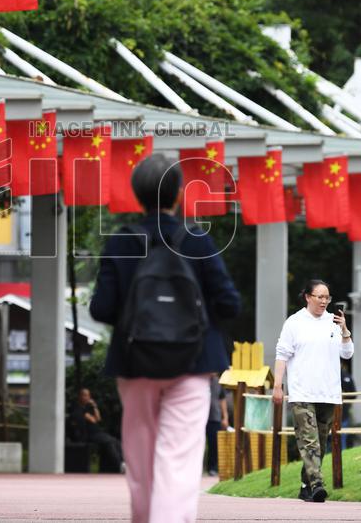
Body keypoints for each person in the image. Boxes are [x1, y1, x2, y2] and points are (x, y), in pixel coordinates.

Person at [90, 154, 241, 523]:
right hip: (193, 364)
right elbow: (229, 303)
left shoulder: (122, 242)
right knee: (178, 460)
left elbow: (101, 308)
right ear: (178, 195)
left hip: (135, 362)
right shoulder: (197, 241)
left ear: (137, 195)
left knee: (140, 462)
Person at [272, 280, 354, 504]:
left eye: (327, 297)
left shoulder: (333, 322)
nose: (324, 301)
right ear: (307, 297)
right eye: (319, 296)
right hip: (302, 393)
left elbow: (347, 354)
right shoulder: (294, 322)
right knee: (310, 442)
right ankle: (317, 483)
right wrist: (278, 385)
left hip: (328, 392)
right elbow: (282, 354)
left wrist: (345, 330)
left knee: (319, 441)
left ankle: (305, 486)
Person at [69, 388, 124, 473]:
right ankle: (119, 465)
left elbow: (98, 418)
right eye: (84, 395)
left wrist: (94, 406)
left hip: (98, 432)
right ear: (79, 396)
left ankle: (123, 462)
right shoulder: (77, 408)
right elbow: (93, 420)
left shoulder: (89, 407)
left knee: (116, 441)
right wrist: (93, 417)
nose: (86, 397)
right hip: (89, 434)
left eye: (87, 395)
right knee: (109, 442)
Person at [205, 374, 229, 477]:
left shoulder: (218, 382)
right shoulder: (200, 379)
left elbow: (222, 399)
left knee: (214, 444)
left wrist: (225, 417)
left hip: (214, 417)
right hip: (200, 417)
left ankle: (213, 468)